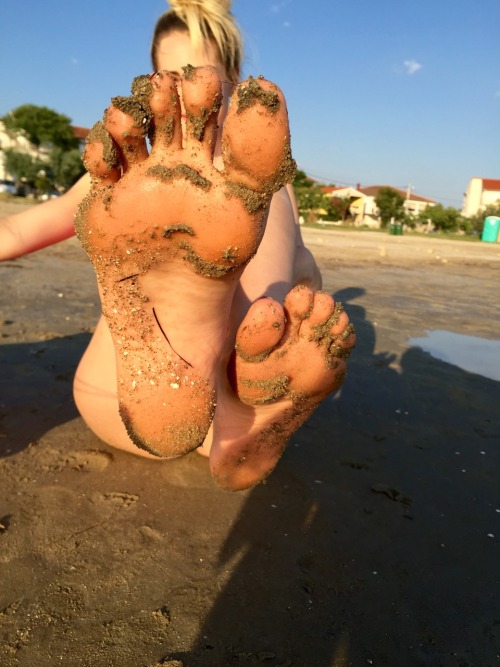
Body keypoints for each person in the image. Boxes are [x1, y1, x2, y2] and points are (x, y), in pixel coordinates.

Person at [0, 0, 355, 490]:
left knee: (240, 203)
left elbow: (14, 233)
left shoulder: (126, 171)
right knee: (281, 239)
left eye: (198, 76)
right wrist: (305, 284)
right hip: (198, 422)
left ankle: (213, 362)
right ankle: (245, 391)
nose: (188, 92)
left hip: (109, 400)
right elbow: (304, 284)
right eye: (174, 76)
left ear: (230, 76)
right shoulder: (255, 183)